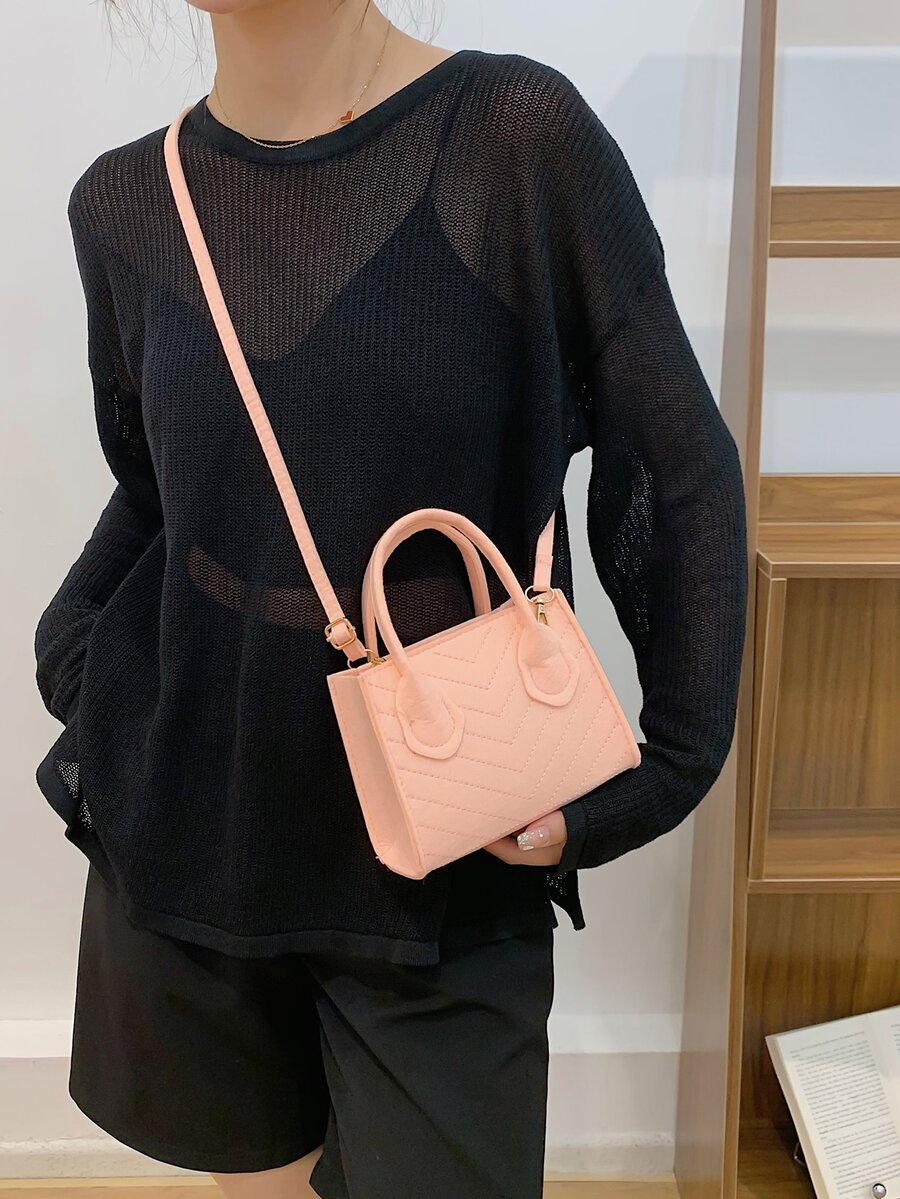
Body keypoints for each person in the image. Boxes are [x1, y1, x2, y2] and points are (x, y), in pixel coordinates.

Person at [32, 1, 748, 1196]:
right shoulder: (123, 202)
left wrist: (669, 761)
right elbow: (160, 490)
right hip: (196, 828)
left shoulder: (514, 141)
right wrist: (72, 645)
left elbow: (673, 469)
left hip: (449, 841)